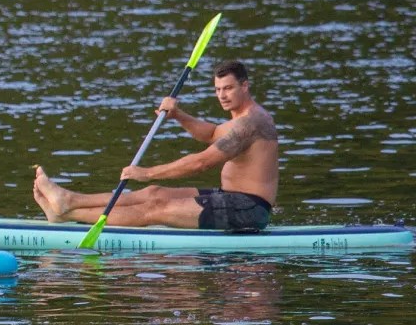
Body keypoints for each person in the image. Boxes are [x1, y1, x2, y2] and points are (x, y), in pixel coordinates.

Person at [32, 60, 278, 231]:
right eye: (217, 89)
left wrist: (145, 172)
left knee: (156, 207)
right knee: (153, 192)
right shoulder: (239, 120)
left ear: (244, 86)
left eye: (229, 88)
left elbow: (202, 162)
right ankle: (68, 201)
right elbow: (212, 133)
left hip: (249, 210)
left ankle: (67, 214)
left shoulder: (252, 123)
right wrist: (178, 115)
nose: (222, 95)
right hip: (230, 197)